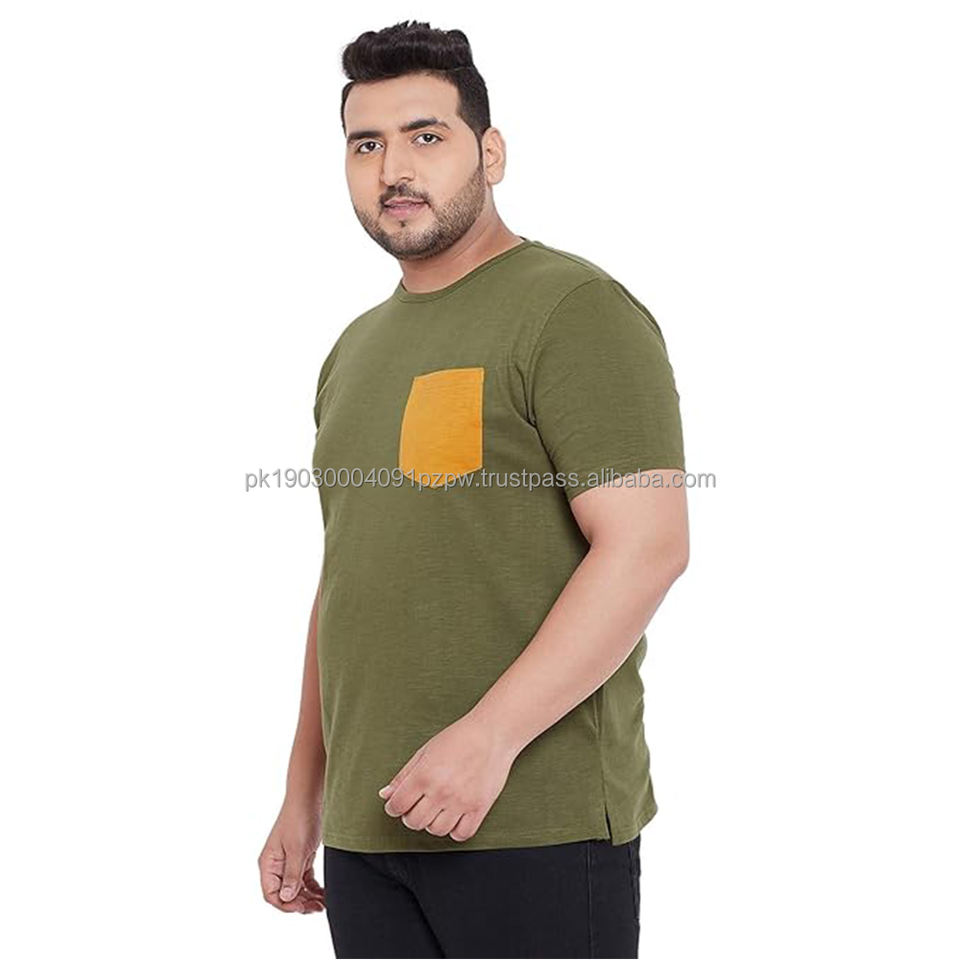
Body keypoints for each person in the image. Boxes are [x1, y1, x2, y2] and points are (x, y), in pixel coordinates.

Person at [258, 20, 690, 959]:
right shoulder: (353, 351)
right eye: (366, 145)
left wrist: (489, 738)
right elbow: (347, 578)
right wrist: (305, 792)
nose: (393, 169)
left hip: (534, 823)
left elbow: (649, 546)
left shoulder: (573, 310)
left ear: (490, 153)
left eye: (427, 136)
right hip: (371, 831)